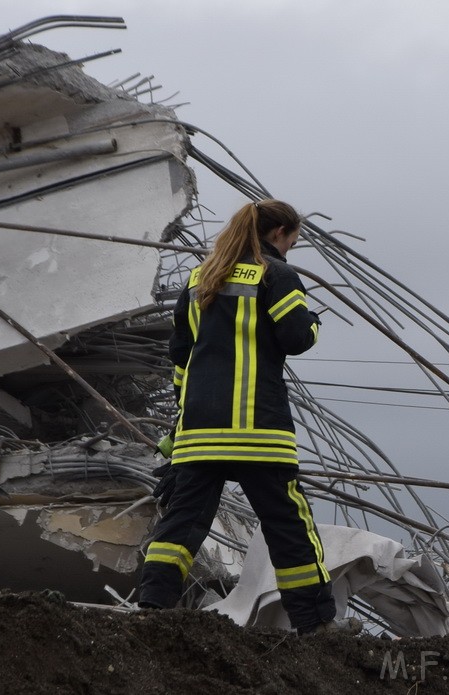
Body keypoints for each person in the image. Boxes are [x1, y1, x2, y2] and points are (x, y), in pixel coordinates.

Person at [138, 199, 342, 635]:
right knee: (288, 527)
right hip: (258, 432)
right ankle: (315, 625)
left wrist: (181, 425)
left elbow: (180, 360)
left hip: (198, 435)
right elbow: (296, 337)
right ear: (278, 233)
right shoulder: (277, 274)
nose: (290, 249)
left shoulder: (199, 279)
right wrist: (315, 322)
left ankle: (152, 610)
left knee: (181, 523)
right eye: (292, 240)